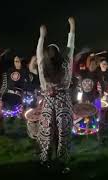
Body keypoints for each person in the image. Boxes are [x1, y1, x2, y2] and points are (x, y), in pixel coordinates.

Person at [36, 17, 75, 174]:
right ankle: (63, 163)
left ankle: (44, 160)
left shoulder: (41, 65)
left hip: (48, 102)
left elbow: (39, 51)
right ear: (60, 55)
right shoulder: (66, 63)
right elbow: (71, 46)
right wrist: (72, 28)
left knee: (46, 131)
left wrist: (42, 36)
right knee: (63, 133)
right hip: (64, 102)